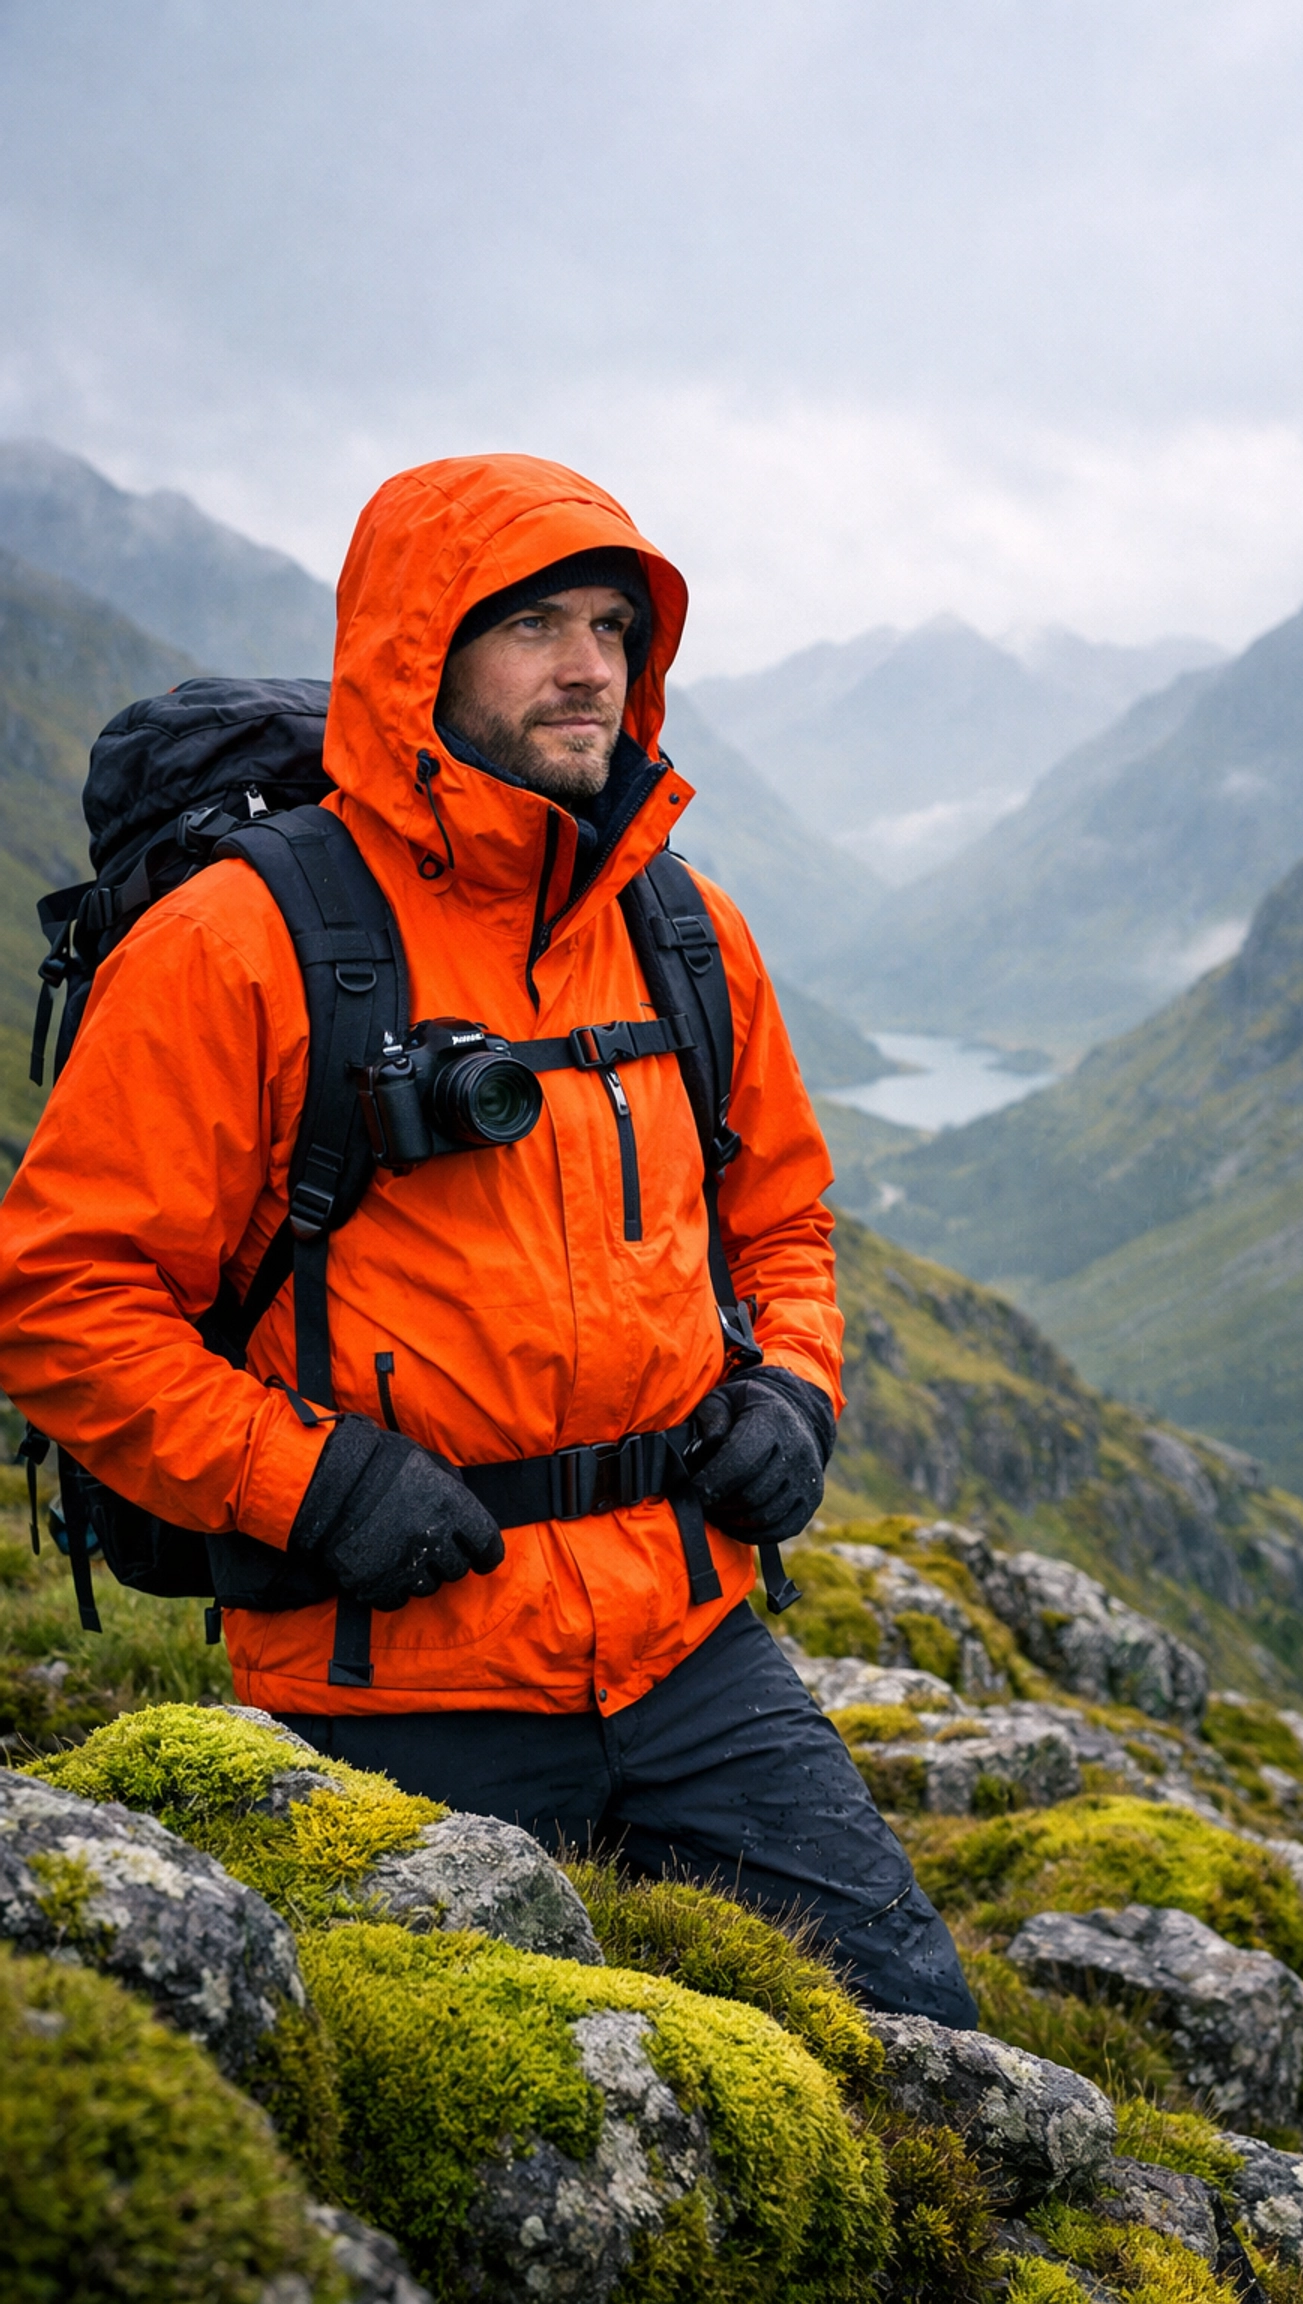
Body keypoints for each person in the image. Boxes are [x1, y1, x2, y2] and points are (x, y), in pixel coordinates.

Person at [0, 453, 976, 2026]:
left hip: (688, 1649)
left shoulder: (682, 928)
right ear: (417, 656)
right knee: (515, 2119)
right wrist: (318, 1483)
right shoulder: (240, 941)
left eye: (612, 626)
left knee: (926, 2050)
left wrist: (794, 1389)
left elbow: (781, 1215)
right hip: (391, 1674)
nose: (590, 665)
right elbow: (62, 1300)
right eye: (532, 625)